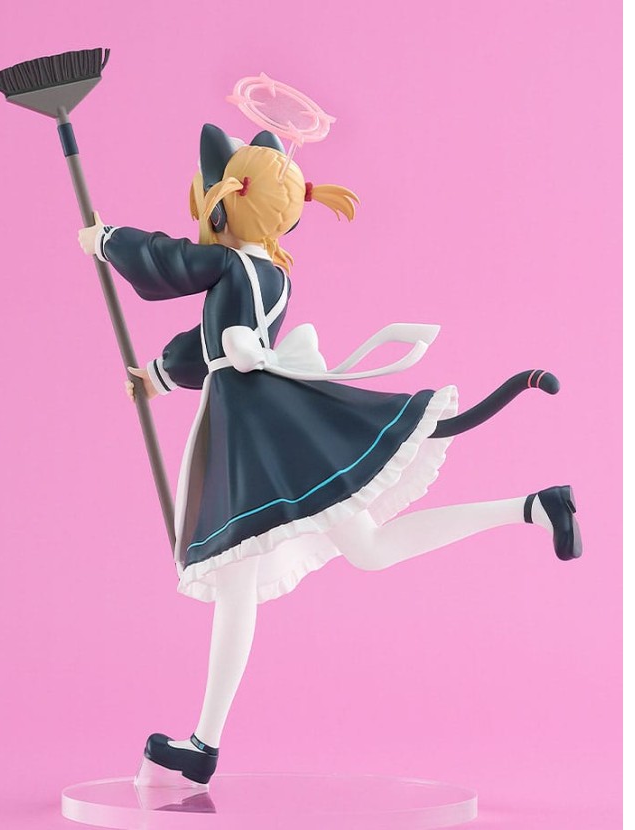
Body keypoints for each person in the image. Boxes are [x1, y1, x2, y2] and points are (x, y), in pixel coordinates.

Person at [78, 123, 581, 786]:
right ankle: (531, 507)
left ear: (226, 201)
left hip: (257, 433)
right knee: (362, 551)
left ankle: (203, 746)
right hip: (267, 422)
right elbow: (216, 342)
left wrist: (107, 240)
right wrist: (158, 376)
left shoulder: (230, 266)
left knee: (239, 582)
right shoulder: (272, 275)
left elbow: (171, 263)